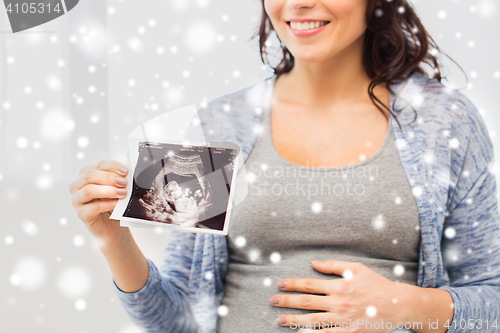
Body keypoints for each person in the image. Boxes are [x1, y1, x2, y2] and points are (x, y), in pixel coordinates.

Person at [69, 0, 500, 332]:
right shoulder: (220, 124)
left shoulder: (444, 122)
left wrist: (405, 305)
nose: (298, 3)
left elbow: (492, 304)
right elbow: (180, 320)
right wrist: (114, 242)